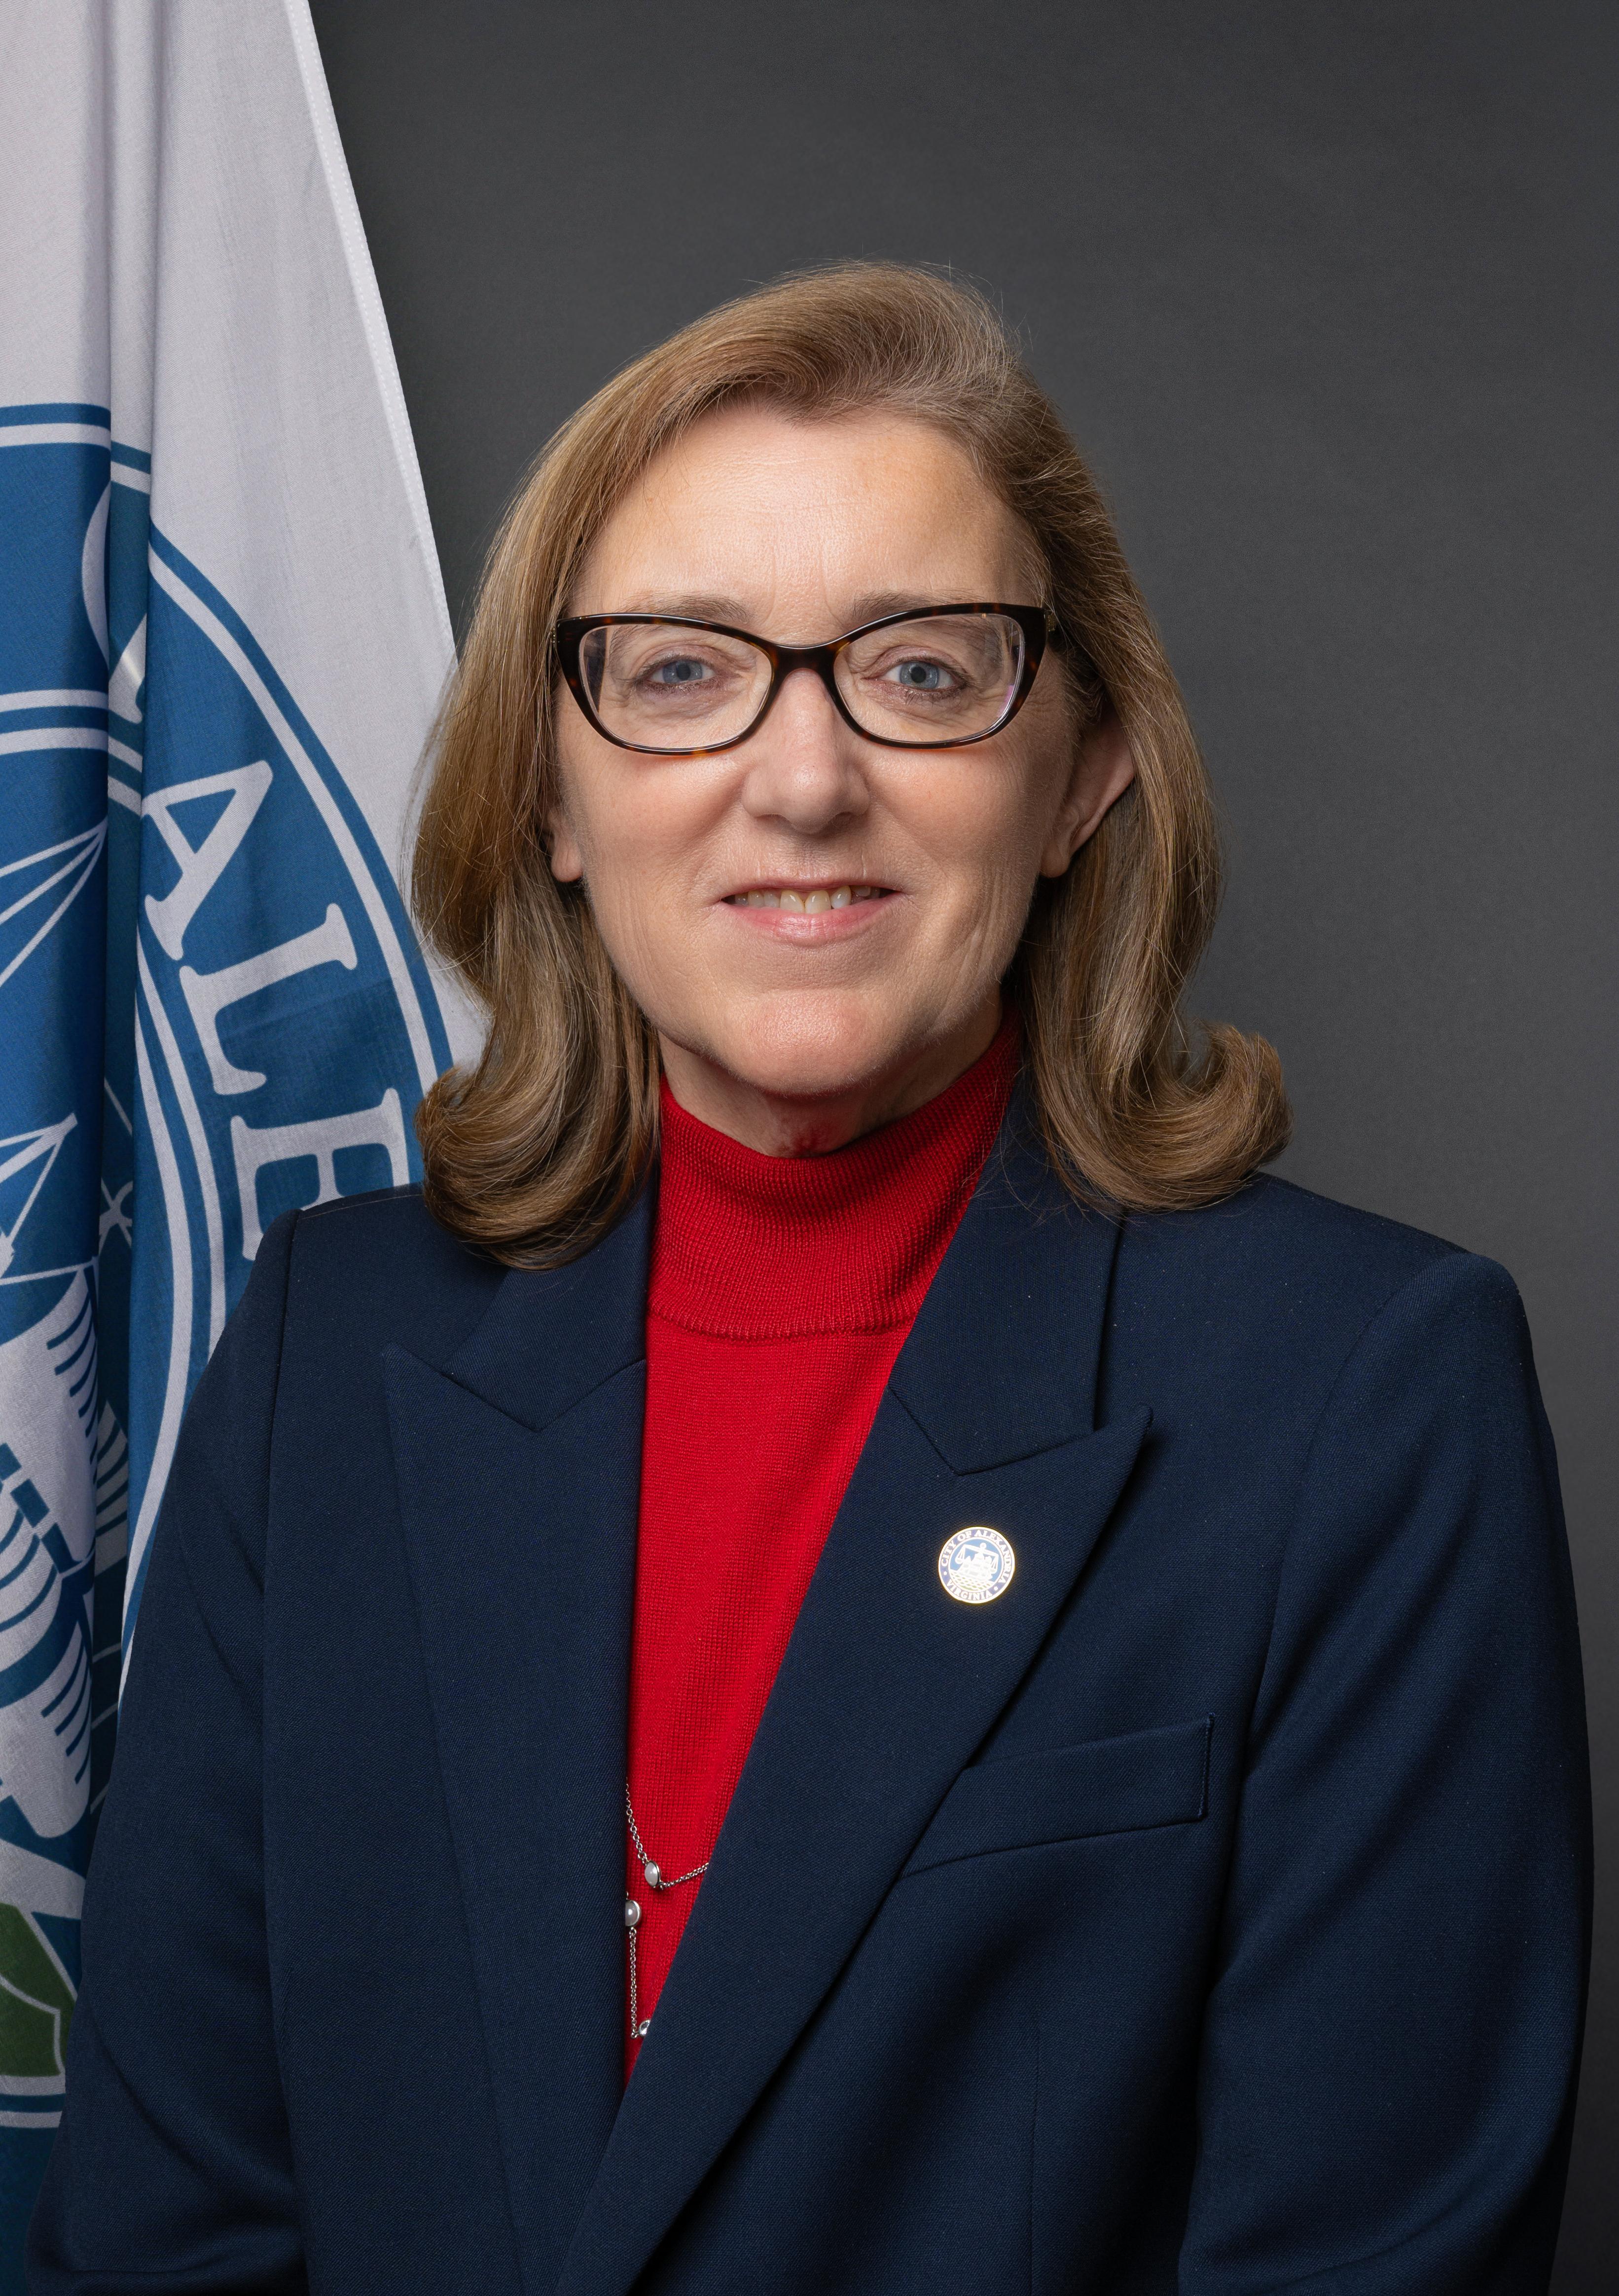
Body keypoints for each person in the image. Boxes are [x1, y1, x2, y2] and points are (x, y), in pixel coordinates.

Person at [30, 266, 1589, 2296]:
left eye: (924, 674)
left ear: (1084, 769)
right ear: (550, 790)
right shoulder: (341, 1341)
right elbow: (167, 2238)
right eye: (679, 674)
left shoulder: (1362, 1397)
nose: (799, 777)